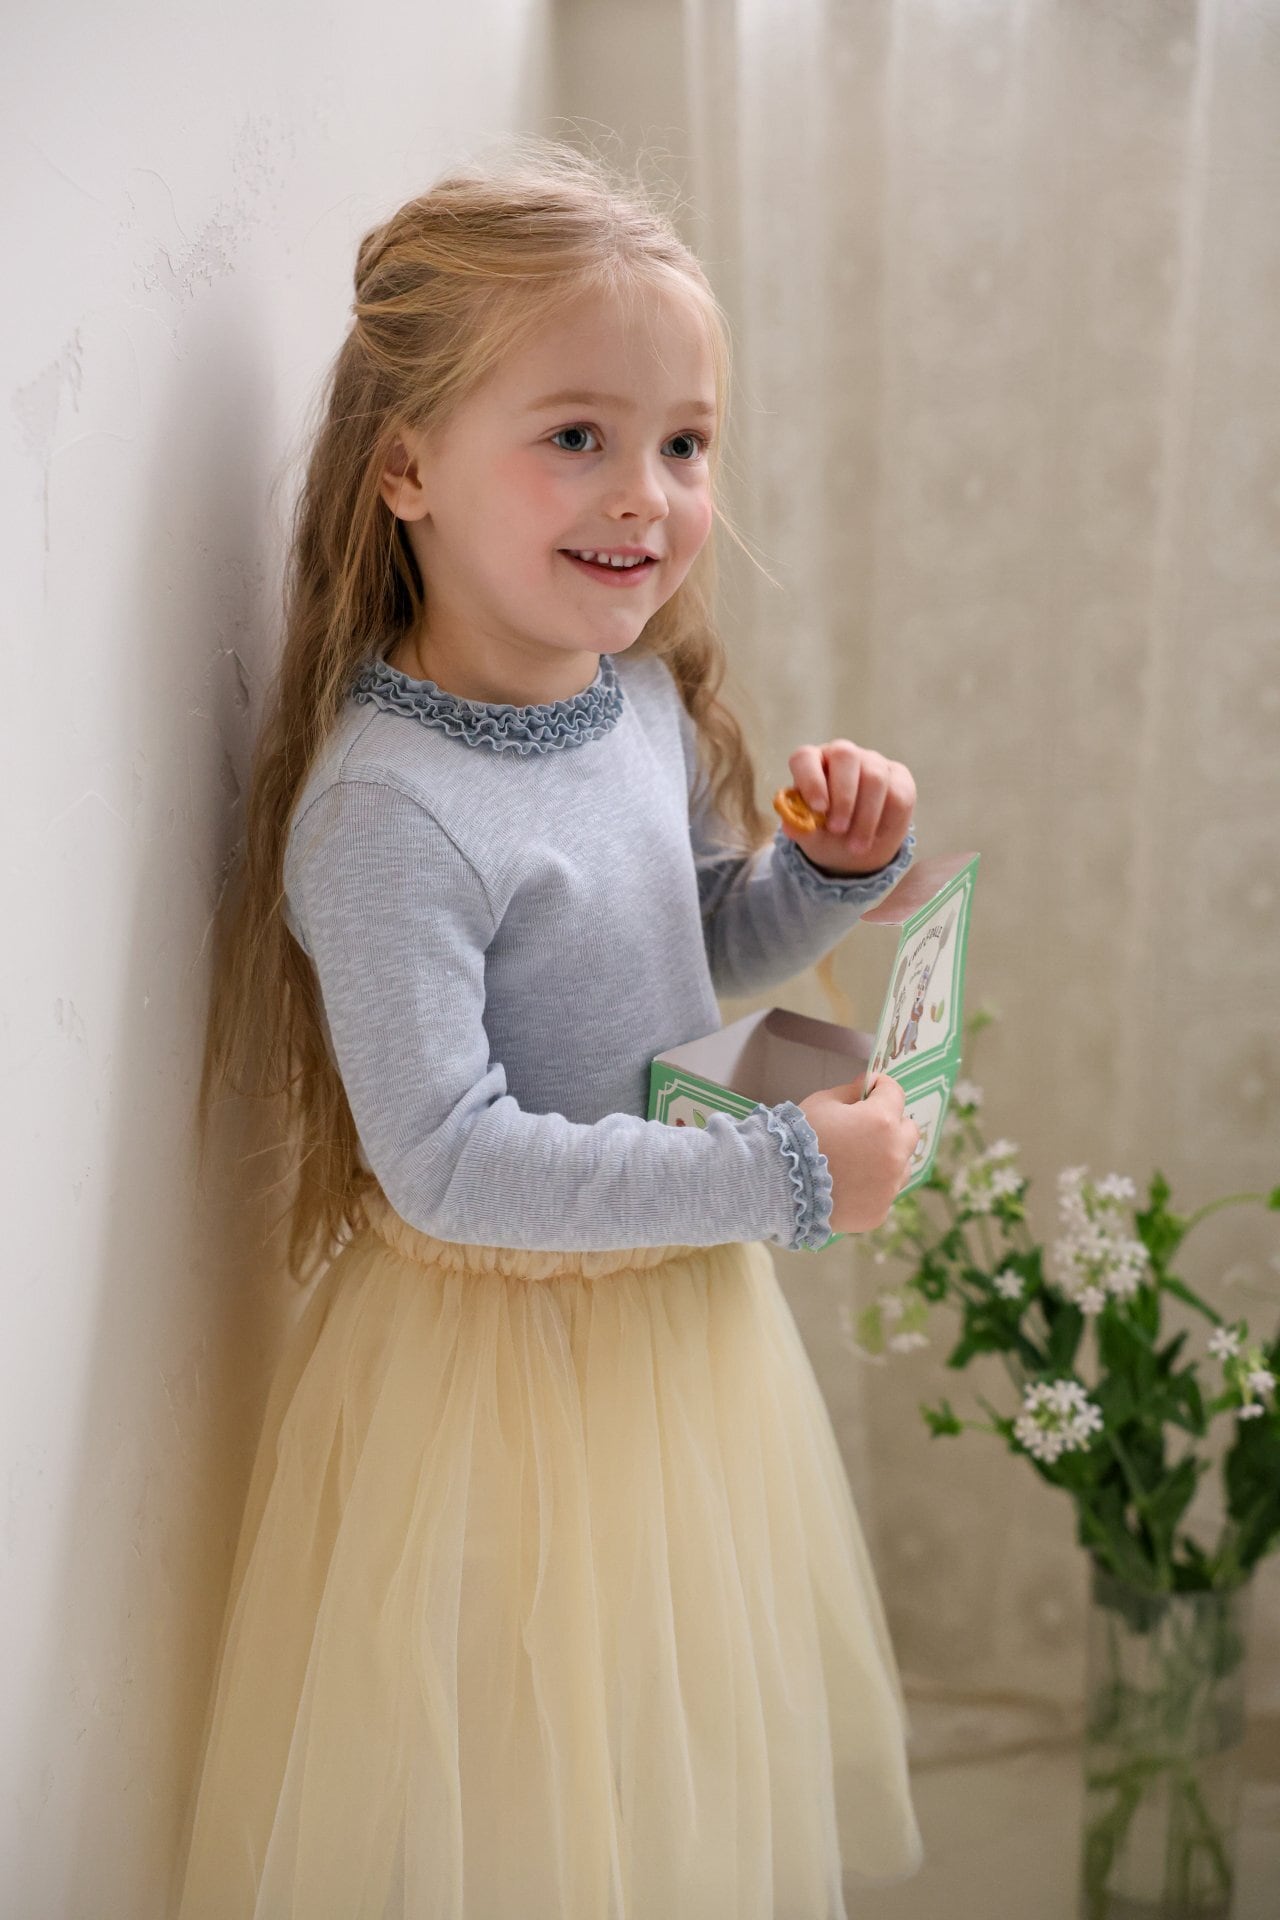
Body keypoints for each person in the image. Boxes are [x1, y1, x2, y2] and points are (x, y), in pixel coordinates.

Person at [173, 135, 925, 1920]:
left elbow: (696, 939)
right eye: (578, 434)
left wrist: (826, 877)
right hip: (499, 1384)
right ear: (407, 467)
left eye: (686, 443)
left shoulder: (633, 701)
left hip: (670, 1328)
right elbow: (446, 1164)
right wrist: (785, 1178)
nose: (646, 495)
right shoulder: (390, 812)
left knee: (660, 1772)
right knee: (531, 1805)